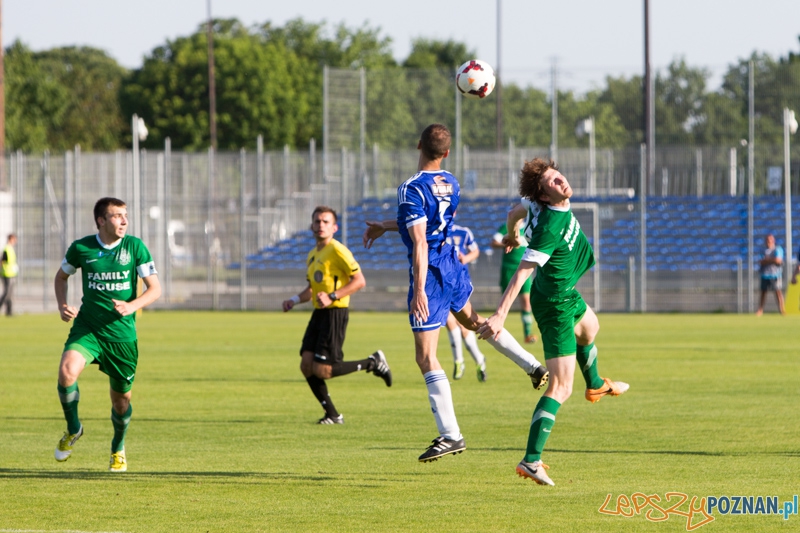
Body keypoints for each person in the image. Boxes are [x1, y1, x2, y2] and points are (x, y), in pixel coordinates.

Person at [362, 124, 548, 463]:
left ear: (418, 145)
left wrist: (419, 290)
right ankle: (533, 365)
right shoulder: (452, 182)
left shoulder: (411, 187)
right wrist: (387, 226)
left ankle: (450, 435)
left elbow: (421, 241)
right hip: (451, 264)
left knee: (425, 357)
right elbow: (431, 224)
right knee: (474, 322)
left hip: (431, 272)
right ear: (447, 153)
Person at [478, 158, 629, 486]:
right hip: (555, 304)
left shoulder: (536, 203)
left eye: (558, 176)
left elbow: (513, 212)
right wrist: (501, 314)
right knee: (561, 387)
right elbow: (523, 272)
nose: (561, 181)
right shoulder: (549, 227)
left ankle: (595, 384)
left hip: (565, 292)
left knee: (590, 327)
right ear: (545, 196)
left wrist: (511, 235)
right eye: (553, 182)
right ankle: (531, 460)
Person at [54, 197, 161, 473]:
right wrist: (62, 305)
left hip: (121, 336)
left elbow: (155, 289)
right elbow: (61, 277)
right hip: (88, 328)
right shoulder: (82, 248)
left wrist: (131, 306)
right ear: (101, 221)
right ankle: (74, 428)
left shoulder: (135, 247)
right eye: (117, 216)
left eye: (125, 215)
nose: (124, 221)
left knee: (121, 401)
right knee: (66, 373)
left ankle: (118, 446)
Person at [282, 206, 392, 425]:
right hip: (319, 313)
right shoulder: (313, 255)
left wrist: (332, 296)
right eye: (317, 221)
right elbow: (312, 289)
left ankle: (373, 362)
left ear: (334, 227)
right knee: (306, 365)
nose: (320, 225)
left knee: (323, 370)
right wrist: (293, 300)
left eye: (325, 222)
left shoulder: (338, 250)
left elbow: (359, 281)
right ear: (311, 226)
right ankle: (332, 415)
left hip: (335, 313)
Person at [444, 220, 487, 381]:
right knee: (449, 321)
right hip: (443, 282)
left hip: (460, 282)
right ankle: (459, 361)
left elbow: (475, 251)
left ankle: (479, 359)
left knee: (464, 326)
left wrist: (465, 258)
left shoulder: (463, 232)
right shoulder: (435, 229)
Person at [491, 220, 538, 343]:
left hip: (524, 268)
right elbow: (494, 242)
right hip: (508, 268)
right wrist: (506, 243)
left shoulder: (529, 228)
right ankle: (496, 331)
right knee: (504, 301)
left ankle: (528, 334)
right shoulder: (506, 227)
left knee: (526, 301)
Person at [756, 233, 785, 316]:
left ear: (773, 240)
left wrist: (768, 260)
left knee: (778, 292)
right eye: (767, 240)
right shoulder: (763, 250)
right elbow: (761, 261)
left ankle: (782, 309)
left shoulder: (777, 249)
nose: (768, 241)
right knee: (763, 292)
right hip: (765, 274)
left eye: (770, 239)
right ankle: (760, 310)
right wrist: (772, 260)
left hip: (775, 274)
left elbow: (778, 260)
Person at [0, 234, 18, 316]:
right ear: (11, 239)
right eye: (14, 239)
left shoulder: (10, 249)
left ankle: (9, 311)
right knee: (6, 292)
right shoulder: (7, 249)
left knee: (10, 293)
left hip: (11, 274)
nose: (15, 241)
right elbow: (2, 261)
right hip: (6, 274)